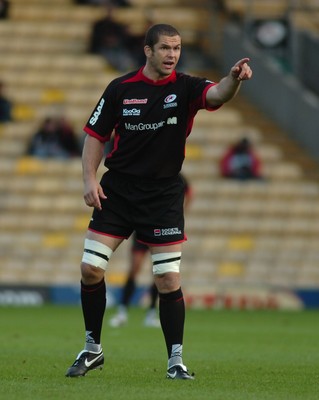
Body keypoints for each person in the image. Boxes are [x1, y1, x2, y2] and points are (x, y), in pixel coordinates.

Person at [65, 23, 252, 380]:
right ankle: (92, 349)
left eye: (177, 48)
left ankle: (175, 360)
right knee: (90, 270)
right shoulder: (120, 88)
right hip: (117, 191)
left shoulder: (186, 87)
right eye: (165, 48)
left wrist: (235, 79)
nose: (172, 55)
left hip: (163, 193)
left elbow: (218, 96)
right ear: (148, 51)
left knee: (167, 279)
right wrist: (89, 178)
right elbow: (94, 135)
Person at [109, 174, 193, 329]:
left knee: (159, 271)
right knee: (134, 269)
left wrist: (178, 214)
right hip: (141, 225)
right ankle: (122, 311)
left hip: (161, 226)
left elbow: (189, 193)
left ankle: (151, 313)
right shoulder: (145, 171)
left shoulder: (177, 177)